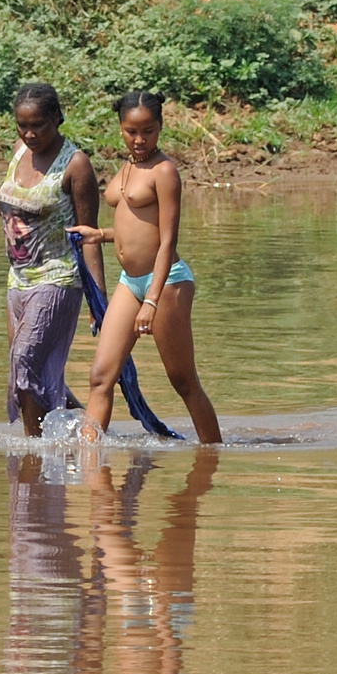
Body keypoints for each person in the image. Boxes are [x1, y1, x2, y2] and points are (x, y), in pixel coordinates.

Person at [68, 92, 222, 444]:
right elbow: (134, 228)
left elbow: (166, 241)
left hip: (165, 282)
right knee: (101, 376)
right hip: (130, 281)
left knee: (183, 381)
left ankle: (213, 458)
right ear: (120, 129)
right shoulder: (127, 167)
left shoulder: (164, 171)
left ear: (161, 128)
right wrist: (100, 234)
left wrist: (151, 301)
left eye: (148, 131)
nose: (139, 140)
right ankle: (91, 464)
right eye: (131, 131)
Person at [0, 82, 104, 436]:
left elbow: (89, 236)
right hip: (18, 281)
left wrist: (99, 300)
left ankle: (33, 453)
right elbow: (11, 213)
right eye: (23, 126)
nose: (30, 133)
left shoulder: (76, 165)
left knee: (24, 364)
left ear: (58, 118)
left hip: (59, 279)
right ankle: (93, 432)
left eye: (39, 125)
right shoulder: (21, 152)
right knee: (32, 371)